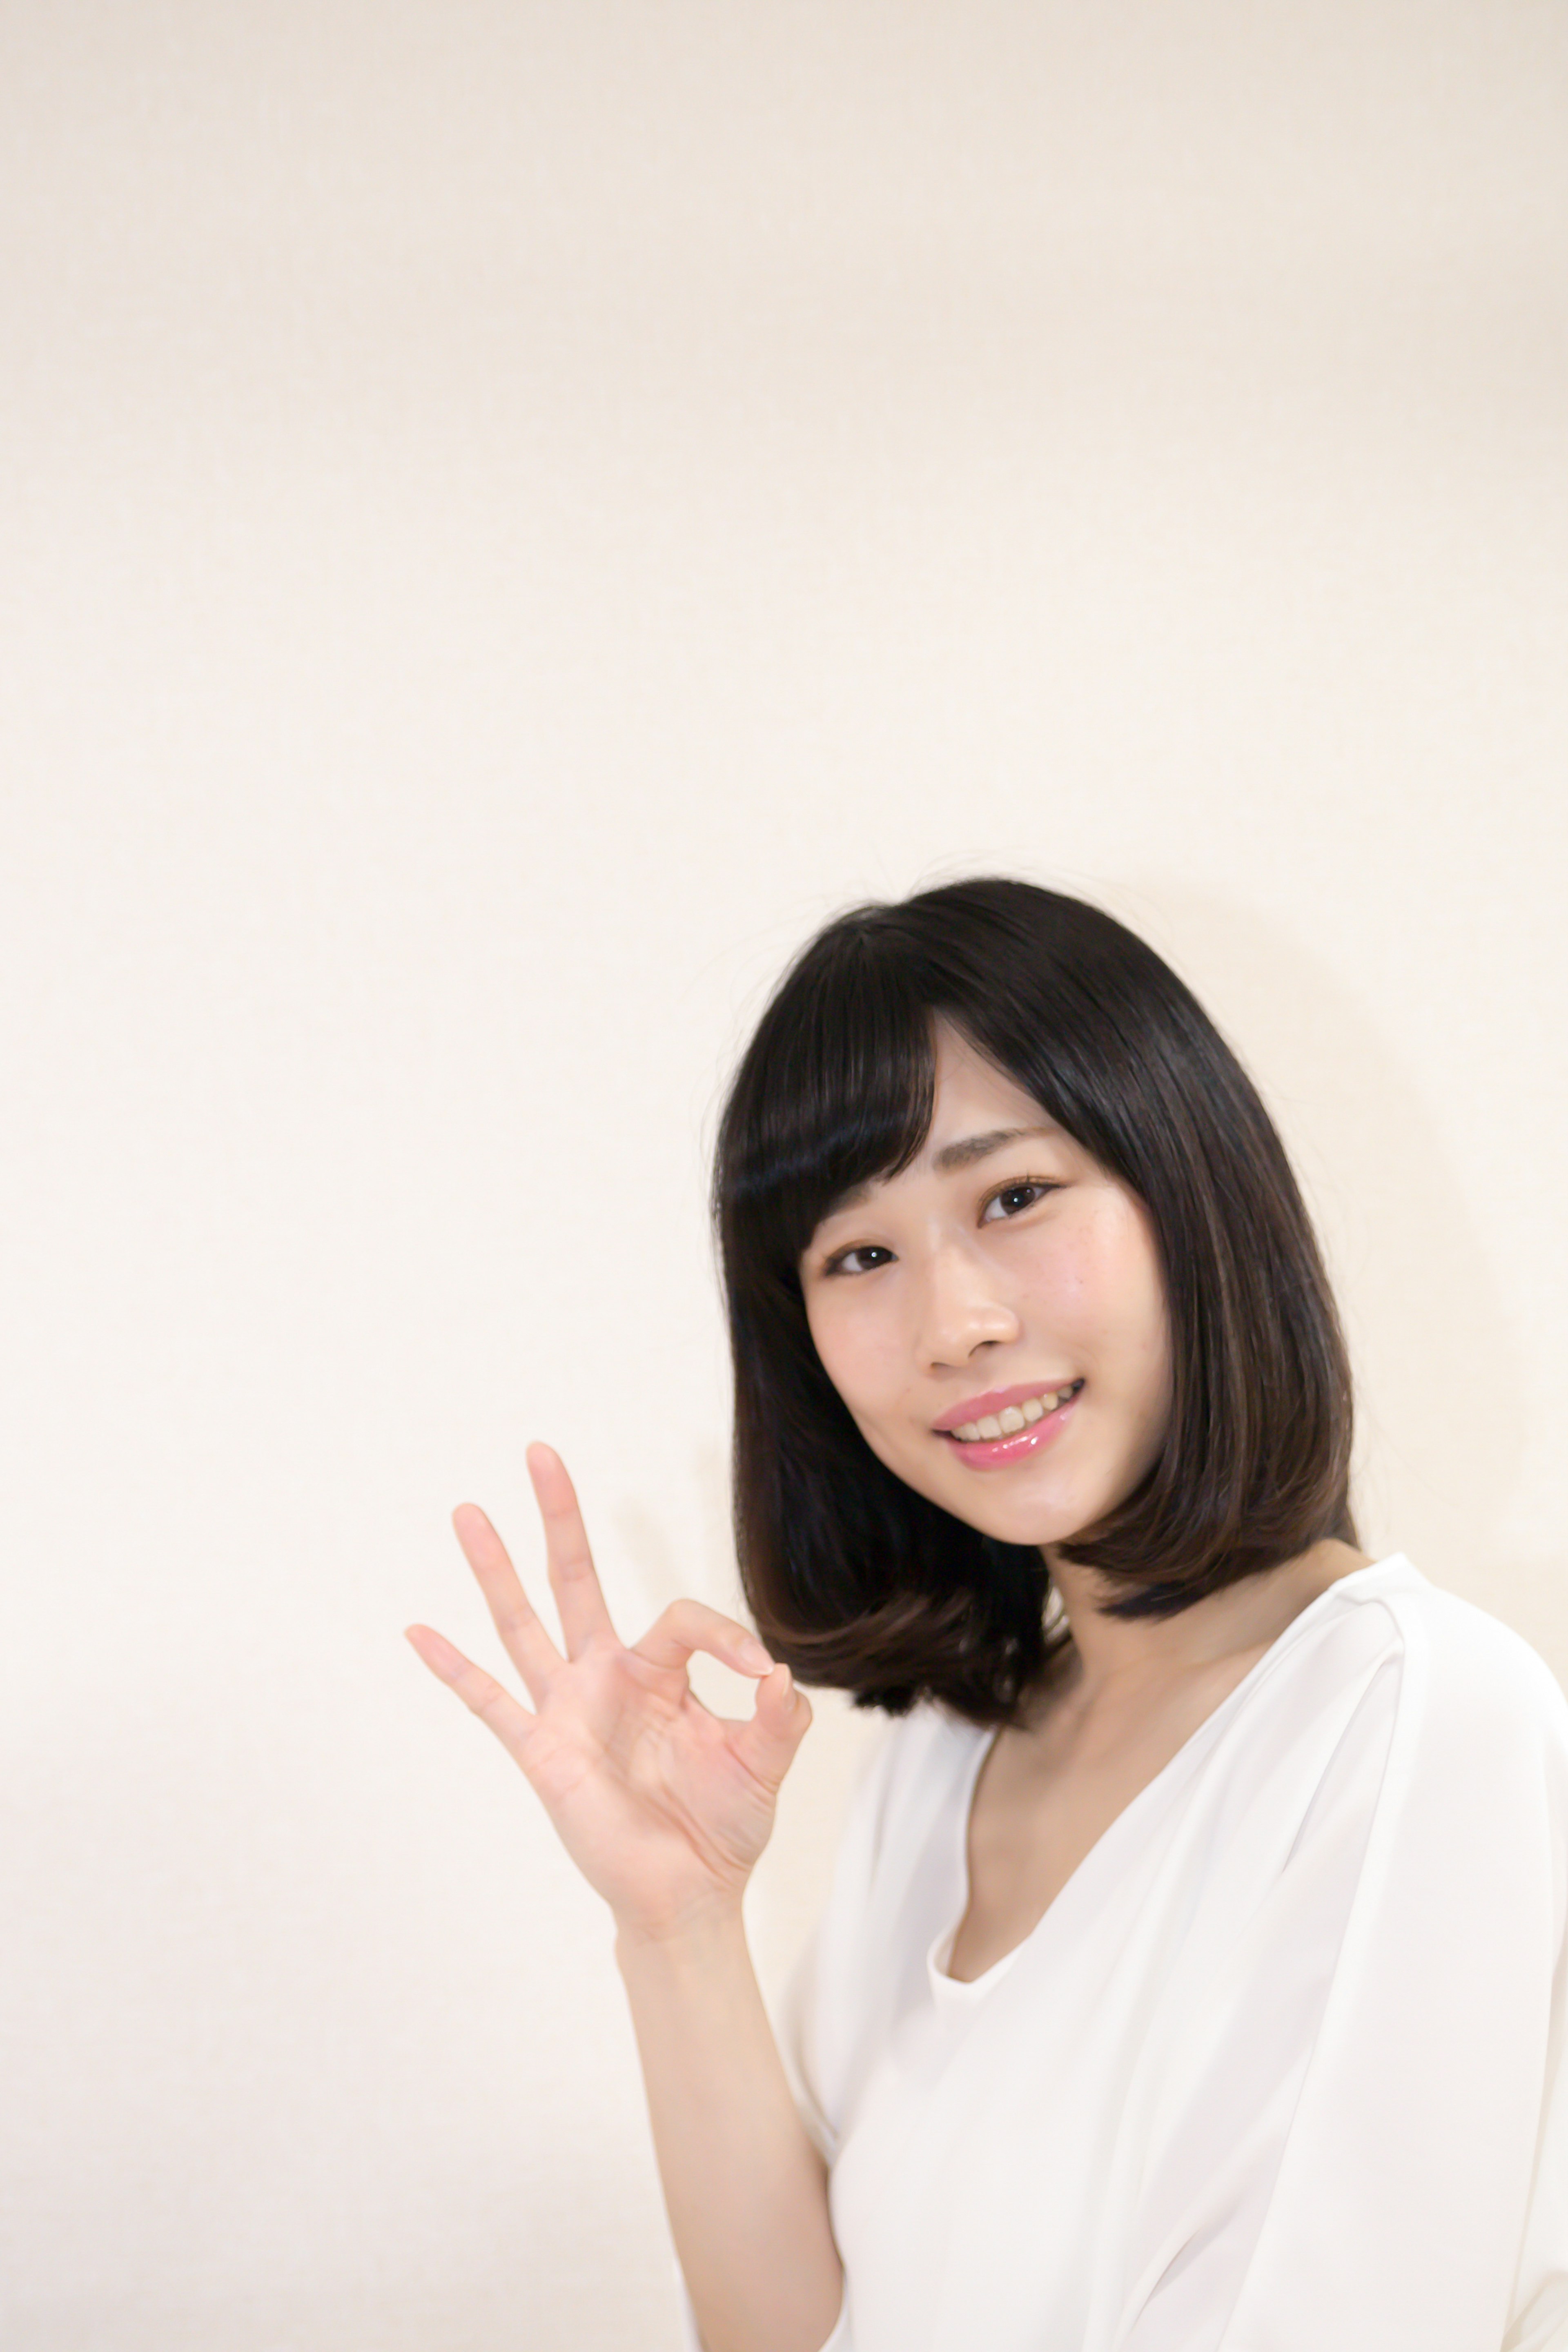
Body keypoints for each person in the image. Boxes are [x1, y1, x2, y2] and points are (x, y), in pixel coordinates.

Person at [406, 877, 1568, 2352]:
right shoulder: (945, 1757)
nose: (954, 1323)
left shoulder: (1415, 1716)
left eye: (1013, 1197)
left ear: (1187, 1191)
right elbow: (787, 2336)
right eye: (860, 1256)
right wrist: (679, 1922)